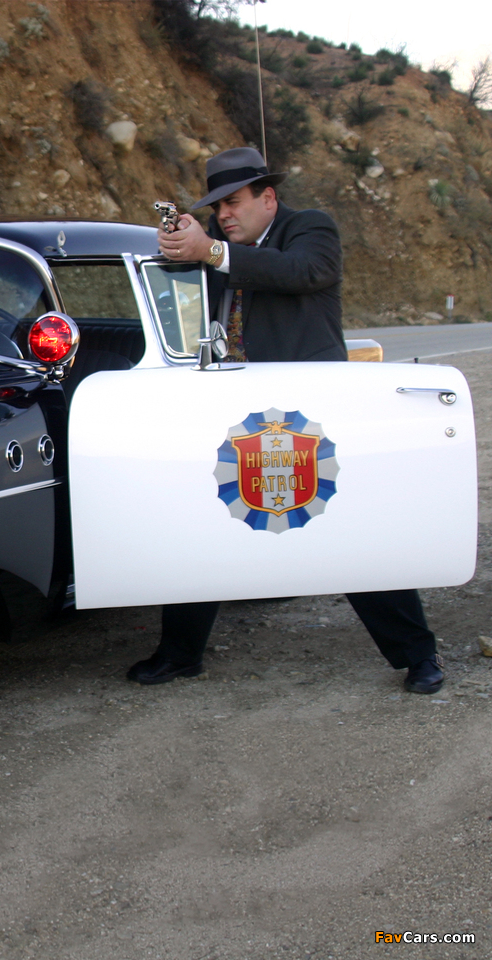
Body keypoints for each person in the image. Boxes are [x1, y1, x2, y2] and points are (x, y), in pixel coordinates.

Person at [126, 147, 444, 695]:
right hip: (240, 407)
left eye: (233, 203)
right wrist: (180, 241)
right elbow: (184, 273)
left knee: (352, 532)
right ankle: (180, 654)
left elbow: (305, 271)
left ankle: (419, 655)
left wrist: (214, 251)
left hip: (313, 408)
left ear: (267, 198)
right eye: (216, 207)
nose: (224, 215)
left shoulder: (309, 228)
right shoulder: (223, 246)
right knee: (207, 520)